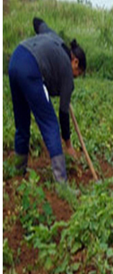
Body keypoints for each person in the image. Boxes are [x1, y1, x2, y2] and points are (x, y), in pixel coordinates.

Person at [8, 17, 86, 183]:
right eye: (78, 73)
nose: (75, 77)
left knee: (22, 123)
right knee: (50, 124)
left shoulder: (53, 36)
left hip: (15, 60)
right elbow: (63, 114)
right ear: (75, 62)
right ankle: (62, 183)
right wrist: (68, 146)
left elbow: (37, 22)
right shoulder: (67, 75)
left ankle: (17, 171)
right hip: (31, 68)